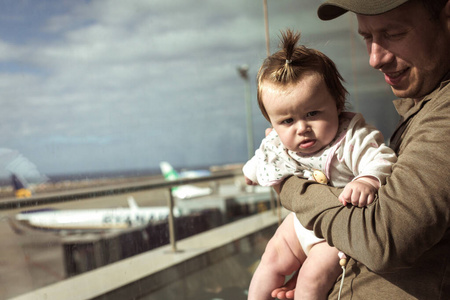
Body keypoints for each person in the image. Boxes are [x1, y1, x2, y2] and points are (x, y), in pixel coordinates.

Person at [271, 0, 450, 299]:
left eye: (393, 33)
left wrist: (287, 183)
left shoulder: (443, 115)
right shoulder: (424, 109)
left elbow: (384, 239)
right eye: (366, 37)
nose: (374, 59)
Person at [244, 29, 397, 300]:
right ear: (272, 123)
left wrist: (367, 180)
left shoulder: (350, 138)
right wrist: (250, 173)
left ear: (337, 104)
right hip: (299, 225)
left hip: (335, 236)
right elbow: (262, 160)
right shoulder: (278, 144)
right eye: (287, 121)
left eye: (312, 114)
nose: (302, 128)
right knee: (270, 258)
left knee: (311, 280)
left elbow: (382, 158)